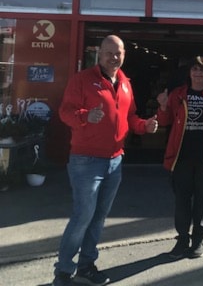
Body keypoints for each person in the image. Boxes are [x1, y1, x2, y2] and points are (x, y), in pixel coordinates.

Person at [53, 35, 159, 286]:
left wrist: (145, 126)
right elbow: (65, 112)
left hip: (115, 160)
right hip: (86, 160)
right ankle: (64, 271)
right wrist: (85, 116)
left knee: (99, 217)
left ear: (124, 55)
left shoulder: (125, 83)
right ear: (99, 54)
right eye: (109, 53)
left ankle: (86, 266)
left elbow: (130, 117)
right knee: (83, 215)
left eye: (118, 53)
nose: (114, 57)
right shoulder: (82, 80)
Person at [156, 56, 203, 260]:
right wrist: (162, 107)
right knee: (182, 200)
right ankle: (182, 239)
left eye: (202, 70)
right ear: (189, 73)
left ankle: (198, 240)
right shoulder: (178, 94)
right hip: (181, 156)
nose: (198, 73)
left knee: (202, 201)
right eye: (194, 69)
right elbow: (164, 121)